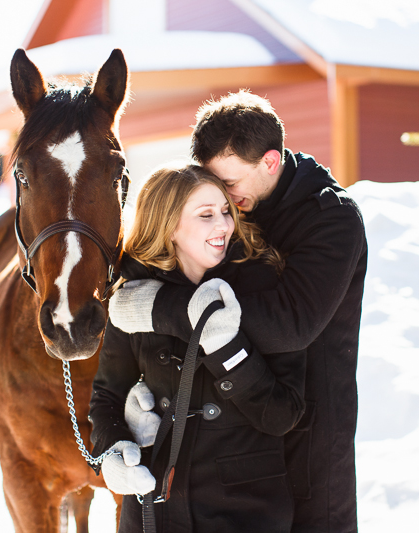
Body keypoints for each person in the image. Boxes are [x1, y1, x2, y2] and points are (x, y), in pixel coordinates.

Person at [111, 91, 368, 532]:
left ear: (270, 162)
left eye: (229, 186)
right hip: (230, 433)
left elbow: (290, 326)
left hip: (309, 425)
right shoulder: (234, 205)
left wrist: (161, 308)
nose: (224, 205)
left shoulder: (332, 219)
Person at [90, 165, 307, 532]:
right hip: (153, 508)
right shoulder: (133, 298)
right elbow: (107, 397)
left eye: (225, 211)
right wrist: (114, 454)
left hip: (245, 509)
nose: (223, 226)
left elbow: (283, 414)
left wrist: (227, 348)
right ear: (168, 225)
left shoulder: (264, 287)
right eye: (206, 215)